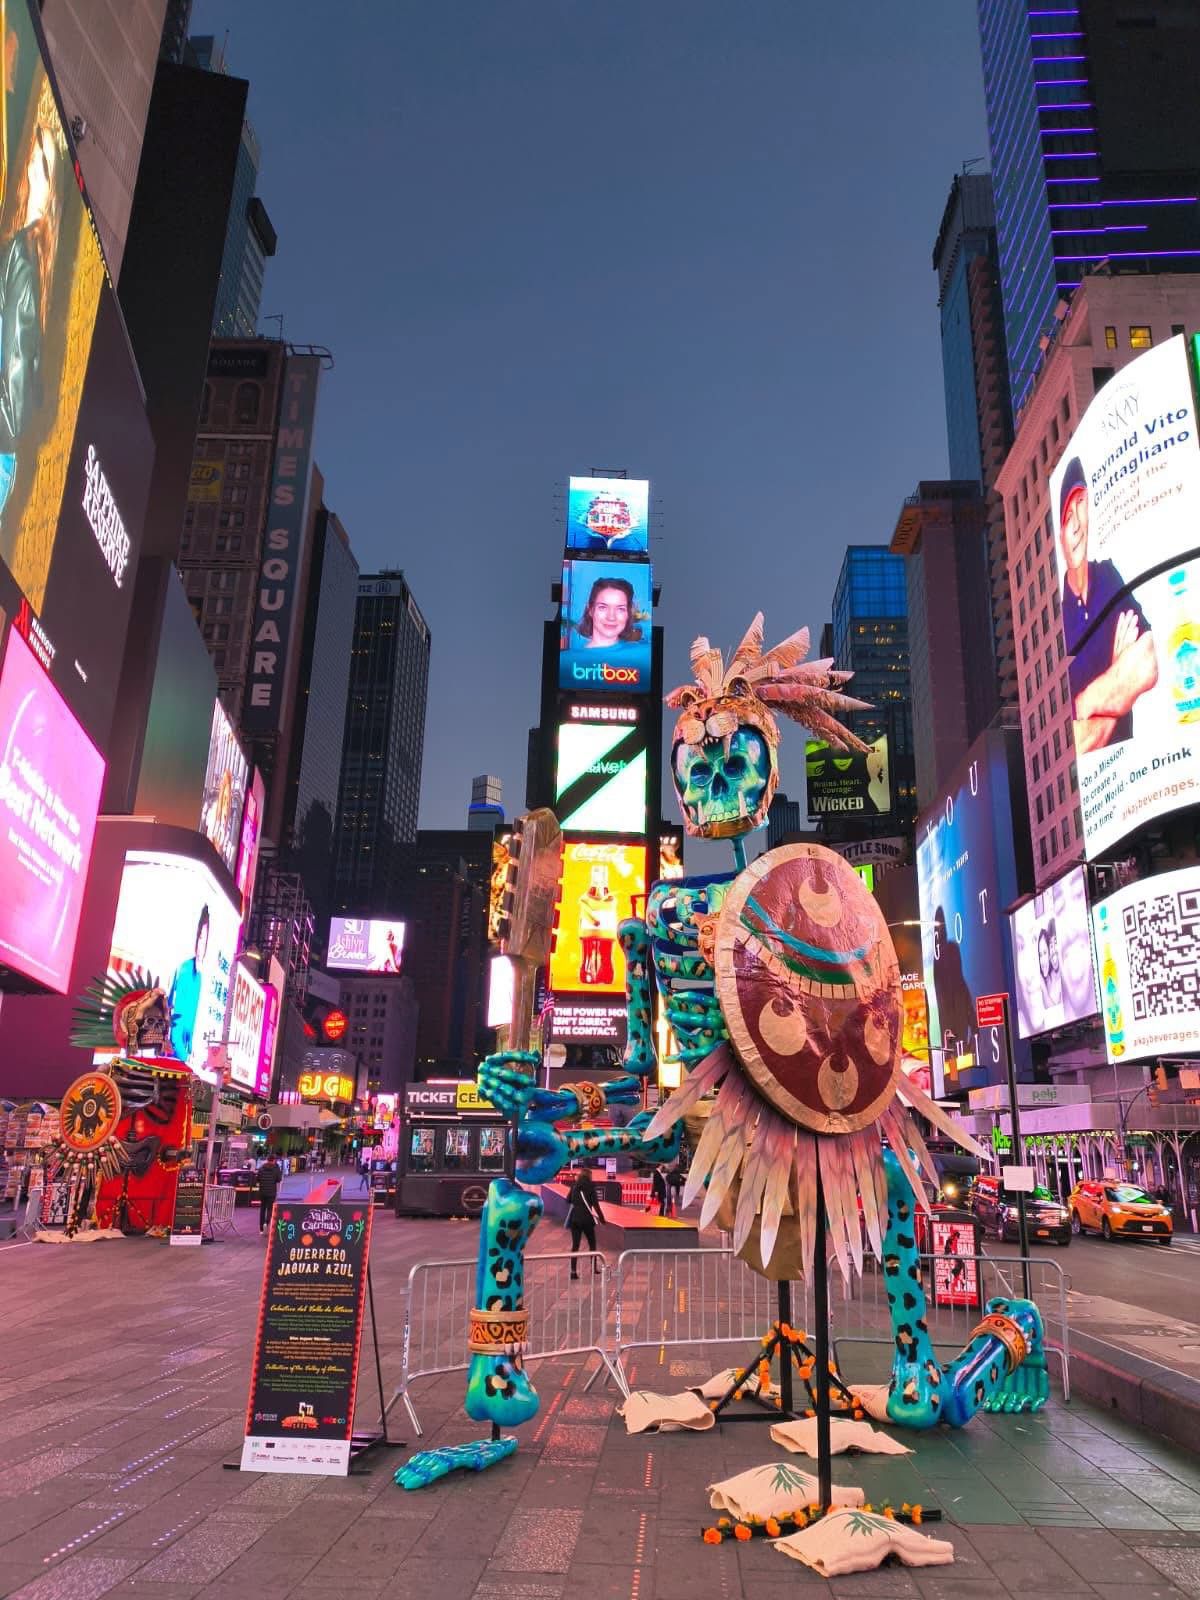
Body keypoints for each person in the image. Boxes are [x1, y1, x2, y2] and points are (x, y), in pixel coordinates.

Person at [1057, 456, 1158, 753]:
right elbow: (1074, 742)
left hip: (1136, 767)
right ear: (1059, 534)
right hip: (1090, 790)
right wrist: (1117, 672)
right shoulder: (1058, 617)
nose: (1076, 524)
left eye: (1080, 505)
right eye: (1066, 516)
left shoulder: (1107, 575)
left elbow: (1147, 664)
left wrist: (1082, 703)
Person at [0, 90, 64, 526]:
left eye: (45, 168)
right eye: (35, 162)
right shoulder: (22, 257)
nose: (34, 174)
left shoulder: (23, 256)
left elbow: (18, 366)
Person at [168, 906, 210, 1063]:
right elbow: (177, 1022)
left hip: (185, 1054)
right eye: (200, 938)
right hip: (175, 1056)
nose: (202, 944)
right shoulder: (186, 970)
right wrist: (185, 1057)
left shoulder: (200, 976)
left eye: (205, 940)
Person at [576, 577, 643, 650]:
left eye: (620, 609)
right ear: (591, 610)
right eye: (603, 607)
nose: (611, 617)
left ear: (628, 613)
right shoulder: (568, 658)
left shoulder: (644, 655)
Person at [565, 1166, 604, 1277]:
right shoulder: (591, 1187)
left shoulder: (574, 1186)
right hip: (587, 1220)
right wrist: (602, 1218)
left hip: (575, 1220)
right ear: (589, 1176)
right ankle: (593, 1268)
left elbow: (567, 1200)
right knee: (592, 1243)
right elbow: (596, 1205)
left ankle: (573, 1271)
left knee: (575, 1246)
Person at [256, 1155, 281, 1233]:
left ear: (267, 1160)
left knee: (262, 1209)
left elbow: (258, 1179)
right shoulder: (275, 1169)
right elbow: (278, 1179)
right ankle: (267, 1222)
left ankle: (261, 1229)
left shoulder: (261, 1168)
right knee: (270, 1208)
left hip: (262, 1191)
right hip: (271, 1192)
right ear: (273, 1160)